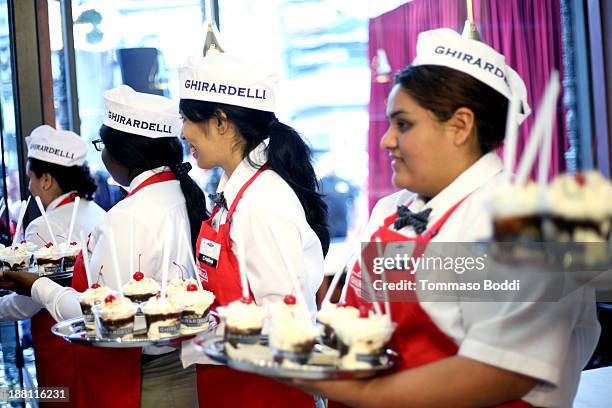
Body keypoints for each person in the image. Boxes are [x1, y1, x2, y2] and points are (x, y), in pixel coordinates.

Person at [287, 28, 600, 407]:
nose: (386, 140)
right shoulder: (393, 209)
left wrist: (355, 392)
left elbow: (499, 374)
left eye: (403, 124)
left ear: (461, 126)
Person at [0, 85, 208, 408]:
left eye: (102, 146)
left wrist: (36, 286)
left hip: (146, 381)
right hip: (184, 369)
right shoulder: (178, 194)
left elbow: (103, 315)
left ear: (123, 153)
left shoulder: (127, 216)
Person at [179, 53, 329, 407]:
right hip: (233, 384)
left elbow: (286, 323)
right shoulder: (235, 190)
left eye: (186, 119)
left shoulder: (262, 203)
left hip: (267, 393)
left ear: (220, 122)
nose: (183, 133)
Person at [0, 125, 105, 407]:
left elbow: (27, 303)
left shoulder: (41, 227)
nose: (30, 187)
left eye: (31, 179)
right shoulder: (98, 212)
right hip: (95, 341)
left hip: (60, 342)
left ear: (46, 180)